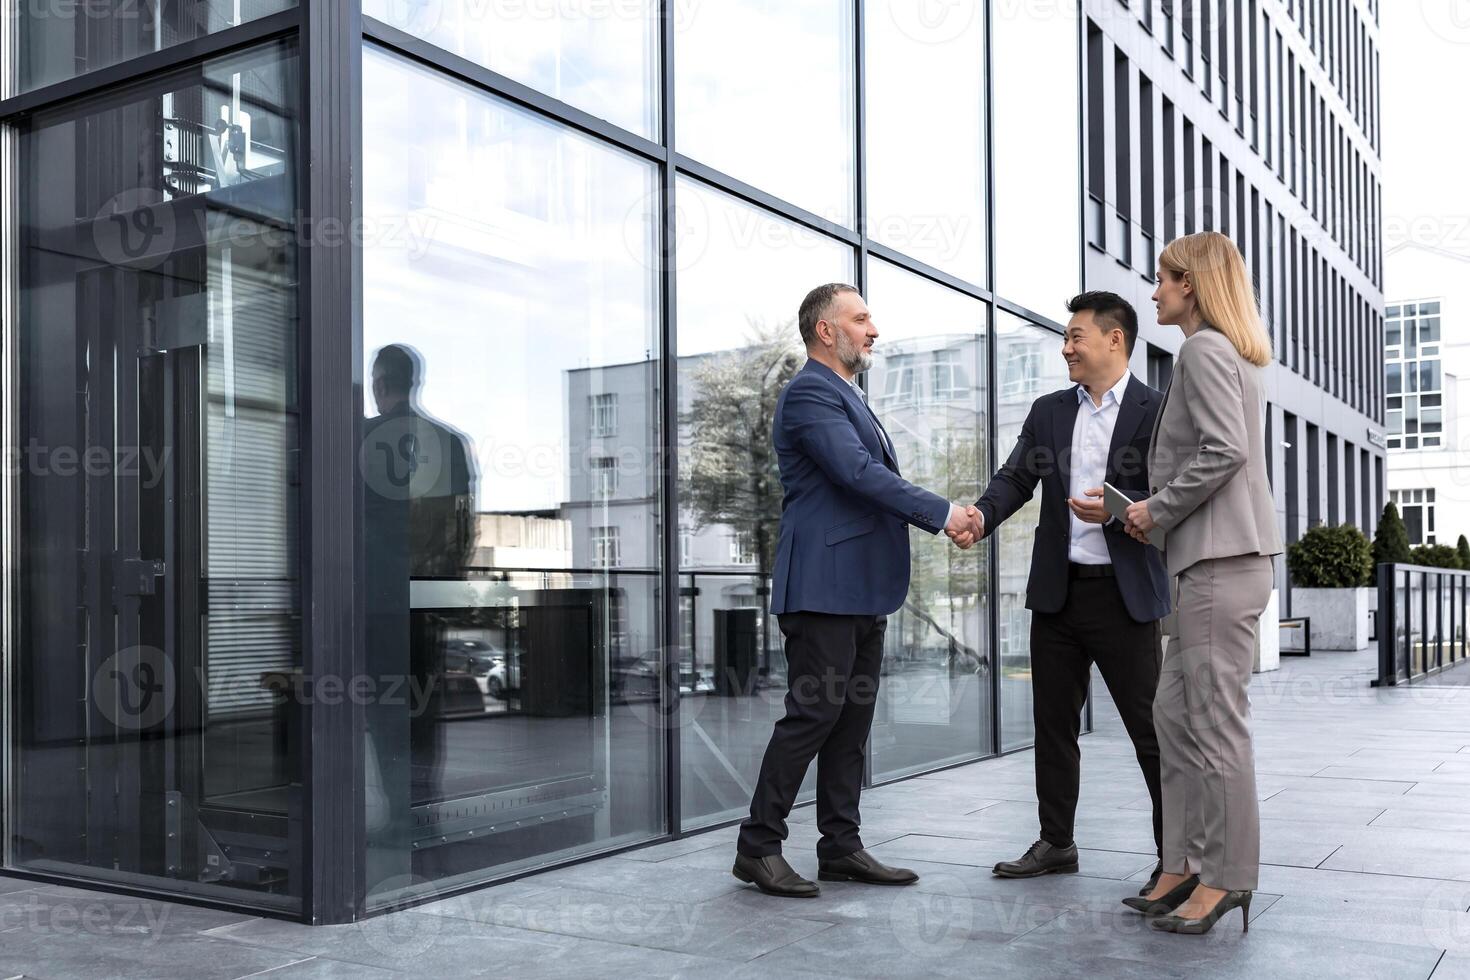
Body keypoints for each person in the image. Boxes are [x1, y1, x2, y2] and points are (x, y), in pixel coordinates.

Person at [732, 282, 981, 898]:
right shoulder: (810, 393)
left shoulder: (849, 396)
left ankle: (840, 846)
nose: (874, 330)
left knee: (851, 723)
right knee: (813, 715)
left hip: (862, 590)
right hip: (822, 589)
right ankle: (758, 846)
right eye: (862, 318)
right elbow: (857, 473)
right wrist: (944, 512)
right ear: (826, 330)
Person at [950, 292, 1169, 895]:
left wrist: (1120, 513)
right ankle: (1056, 842)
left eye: (1076, 337)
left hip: (1125, 598)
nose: (1066, 348)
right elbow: (1016, 476)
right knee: (1052, 727)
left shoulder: (1157, 409)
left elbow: (1172, 492)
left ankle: (1172, 858)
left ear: (1114, 340)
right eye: (1066, 338)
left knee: (1150, 732)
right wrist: (979, 517)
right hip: (1058, 595)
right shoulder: (1049, 411)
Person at [1120, 232, 1283, 935]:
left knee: (1215, 727)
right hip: (1202, 562)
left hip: (1219, 562)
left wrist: (1154, 508)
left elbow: (1225, 451)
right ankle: (1182, 861)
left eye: (1161, 278)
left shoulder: (1205, 349)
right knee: (1175, 718)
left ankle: (1227, 877)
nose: (1152, 291)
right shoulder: (1221, 352)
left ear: (1190, 284)